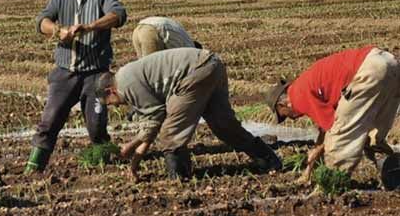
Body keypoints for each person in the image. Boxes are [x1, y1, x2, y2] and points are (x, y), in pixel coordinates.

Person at [96, 48, 282, 181]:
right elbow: (150, 127)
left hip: (195, 72)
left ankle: (179, 177)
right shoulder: (126, 77)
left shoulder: (126, 84)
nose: (116, 106)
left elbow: (154, 120)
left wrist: (130, 146)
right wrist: (135, 162)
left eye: (111, 104)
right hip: (211, 63)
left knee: (170, 133)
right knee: (223, 125)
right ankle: (268, 160)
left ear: (110, 91)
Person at [24, 0, 127, 173]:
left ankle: (105, 166)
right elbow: (41, 20)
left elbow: (118, 15)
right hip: (65, 73)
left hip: (96, 74)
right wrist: (57, 30)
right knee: (49, 122)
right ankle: (33, 169)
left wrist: (89, 26)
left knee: (97, 126)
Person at [265, 46, 400, 188]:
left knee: (339, 140)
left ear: (283, 104)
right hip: (388, 63)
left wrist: (316, 153)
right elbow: (325, 128)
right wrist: (310, 167)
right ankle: (392, 173)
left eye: (283, 115)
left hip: (369, 70)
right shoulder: (305, 84)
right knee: (373, 136)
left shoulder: (298, 96)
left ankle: (333, 184)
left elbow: (333, 128)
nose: (290, 119)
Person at [132, 17, 198, 58]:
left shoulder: (185, 39)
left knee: (142, 67)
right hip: (152, 31)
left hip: (139, 28)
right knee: (153, 68)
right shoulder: (191, 51)